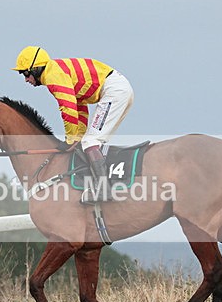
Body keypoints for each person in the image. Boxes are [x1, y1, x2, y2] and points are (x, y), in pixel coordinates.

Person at [12, 45, 134, 203]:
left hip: (114, 91)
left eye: (26, 74)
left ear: (35, 69)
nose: (26, 80)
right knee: (90, 141)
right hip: (118, 89)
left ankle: (104, 190)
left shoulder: (53, 76)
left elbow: (67, 108)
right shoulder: (57, 72)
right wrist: (78, 137)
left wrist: (70, 139)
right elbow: (79, 107)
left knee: (91, 141)